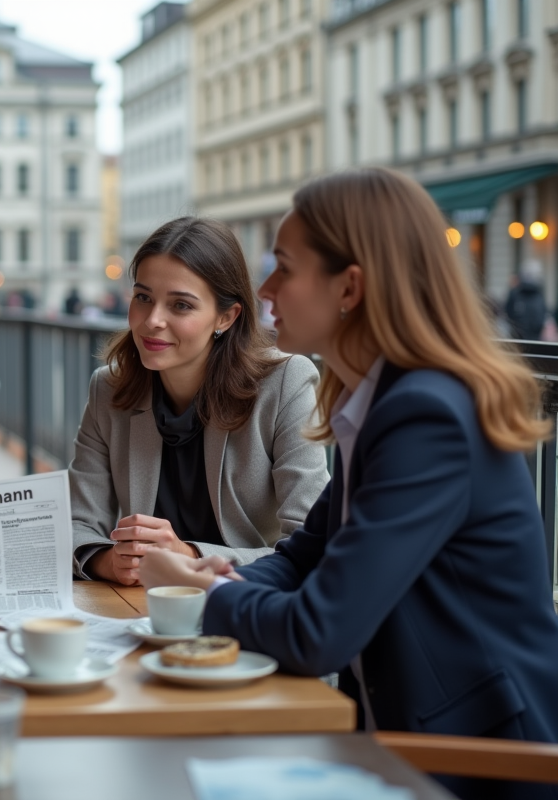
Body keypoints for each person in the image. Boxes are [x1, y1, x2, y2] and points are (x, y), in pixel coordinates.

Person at [141, 169, 558, 800]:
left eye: (284, 266)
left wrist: (203, 594)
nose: (266, 288)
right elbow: (303, 559)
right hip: (407, 737)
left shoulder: (426, 415)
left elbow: (317, 633)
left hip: (483, 763)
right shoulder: (385, 401)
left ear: (350, 288)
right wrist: (218, 575)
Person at [72, 217, 329, 585]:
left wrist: (189, 555)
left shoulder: (286, 383)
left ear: (226, 316)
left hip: (249, 607)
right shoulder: (108, 390)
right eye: (143, 298)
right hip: (143, 610)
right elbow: (77, 525)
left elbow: (312, 544)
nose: (152, 321)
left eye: (180, 305)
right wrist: (108, 561)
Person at [505, 259, 546, 341]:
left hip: (534, 340)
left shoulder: (539, 295)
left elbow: (542, 316)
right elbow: (508, 313)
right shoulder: (515, 294)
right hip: (519, 340)